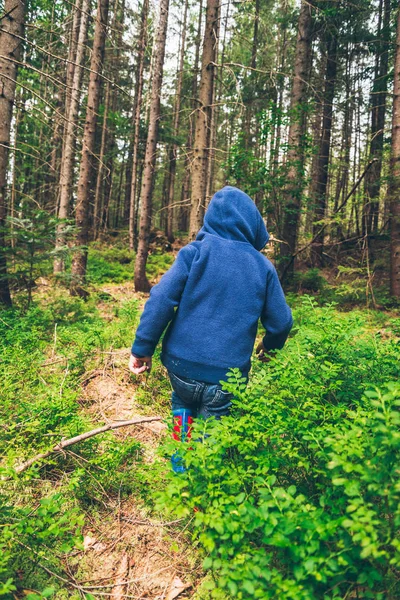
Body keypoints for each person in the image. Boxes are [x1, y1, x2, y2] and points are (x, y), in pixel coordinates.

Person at [129, 186, 293, 471]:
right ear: (252, 225)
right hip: (226, 378)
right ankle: (204, 487)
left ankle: (180, 474)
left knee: (182, 404)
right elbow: (282, 322)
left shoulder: (194, 253)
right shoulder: (262, 267)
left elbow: (161, 298)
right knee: (212, 436)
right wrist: (270, 348)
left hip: (182, 369)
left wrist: (142, 348)